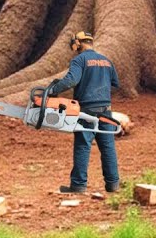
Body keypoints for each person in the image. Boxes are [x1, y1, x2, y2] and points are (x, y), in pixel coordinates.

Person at [48, 31, 121, 194]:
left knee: (82, 145)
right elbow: (115, 83)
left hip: (86, 110)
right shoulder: (106, 61)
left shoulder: (79, 60)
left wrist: (53, 90)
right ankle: (113, 184)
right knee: (108, 146)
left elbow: (71, 80)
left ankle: (78, 185)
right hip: (106, 110)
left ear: (78, 43)